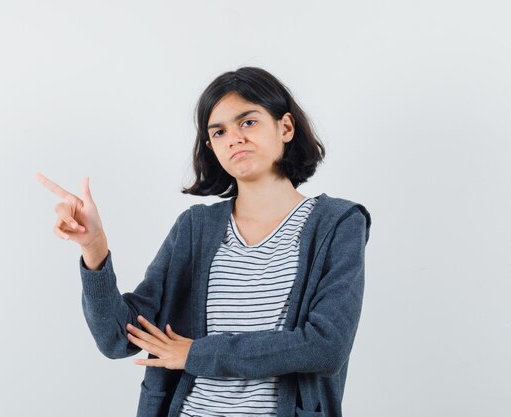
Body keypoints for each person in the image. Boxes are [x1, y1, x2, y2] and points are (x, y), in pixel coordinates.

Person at [37, 66, 372, 417]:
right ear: (212, 146)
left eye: (248, 122)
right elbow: (117, 340)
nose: (235, 138)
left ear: (285, 127)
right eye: (219, 131)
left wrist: (197, 353)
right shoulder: (195, 228)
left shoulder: (337, 223)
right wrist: (94, 248)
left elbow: (325, 346)